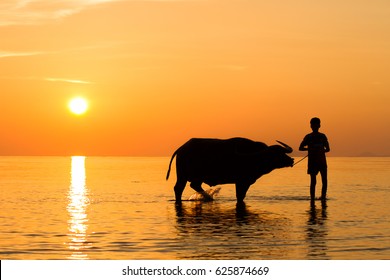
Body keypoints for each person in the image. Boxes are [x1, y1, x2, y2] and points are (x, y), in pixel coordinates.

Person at [299, 117, 330, 202]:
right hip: (312, 162)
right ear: (311, 126)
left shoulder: (323, 136)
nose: (314, 126)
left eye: (316, 124)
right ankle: (312, 199)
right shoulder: (308, 137)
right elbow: (300, 148)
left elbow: (328, 149)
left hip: (322, 162)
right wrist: (310, 149)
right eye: (313, 124)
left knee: (324, 181)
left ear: (319, 125)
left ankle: (323, 198)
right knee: (313, 182)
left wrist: (320, 150)